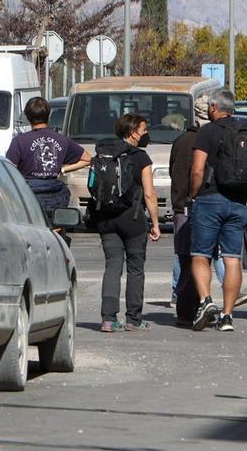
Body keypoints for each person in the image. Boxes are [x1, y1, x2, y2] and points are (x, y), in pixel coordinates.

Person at [187, 89, 247, 331]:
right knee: (232, 257)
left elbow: (197, 170)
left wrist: (193, 194)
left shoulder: (207, 132)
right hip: (238, 201)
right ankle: (227, 316)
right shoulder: (245, 131)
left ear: (214, 107)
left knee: (200, 254)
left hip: (210, 199)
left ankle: (205, 301)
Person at [93, 114, 159, 332]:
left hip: (106, 217)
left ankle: (108, 318)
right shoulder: (141, 157)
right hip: (132, 218)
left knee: (112, 266)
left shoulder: (103, 152)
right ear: (133, 133)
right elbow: (149, 194)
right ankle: (134, 318)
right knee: (135, 267)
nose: (146, 134)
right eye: (144, 130)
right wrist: (155, 222)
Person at [168, 95, 220, 306]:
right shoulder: (215, 138)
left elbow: (174, 170)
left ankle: (179, 294)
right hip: (209, 201)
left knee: (183, 252)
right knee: (215, 254)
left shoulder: (181, 140)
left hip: (182, 203)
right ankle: (216, 299)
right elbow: (199, 172)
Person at [6, 97, 91, 221]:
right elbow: (87, 159)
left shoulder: (19, 141)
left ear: (27, 117)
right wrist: (62, 169)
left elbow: (9, 168)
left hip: (29, 197)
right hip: (55, 197)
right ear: (49, 115)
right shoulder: (62, 139)